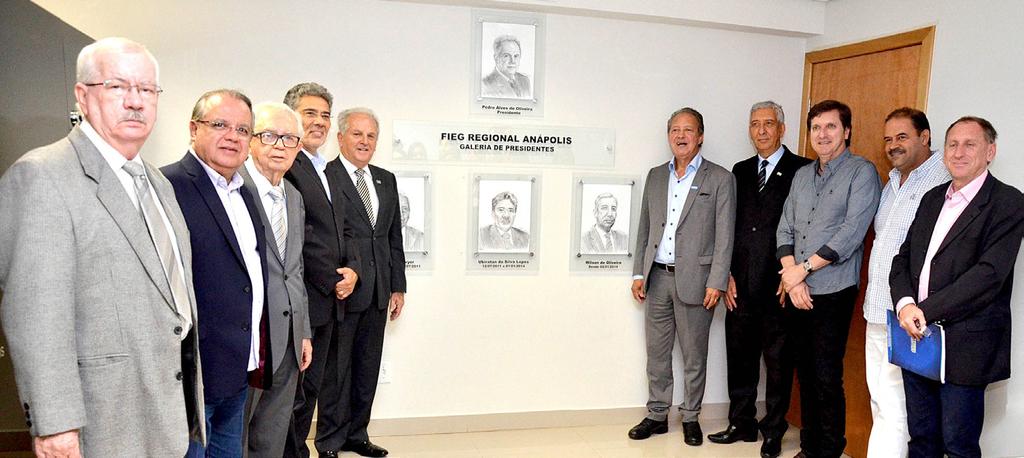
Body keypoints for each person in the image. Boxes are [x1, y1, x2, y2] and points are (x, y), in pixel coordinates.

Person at [0, 36, 204, 458]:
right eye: (117, 86)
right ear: (83, 96)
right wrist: (56, 424)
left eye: (147, 90)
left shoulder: (157, 182)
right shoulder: (43, 175)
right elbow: (36, 315)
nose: (135, 101)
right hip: (101, 420)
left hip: (165, 408)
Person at [890, 116, 1024, 457]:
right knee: (921, 438)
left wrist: (924, 311)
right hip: (916, 339)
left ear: (990, 151)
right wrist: (905, 304)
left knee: (958, 444)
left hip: (966, 344)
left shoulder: (1007, 203)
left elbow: (988, 275)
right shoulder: (933, 198)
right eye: (952, 144)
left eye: (970, 144)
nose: (959, 152)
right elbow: (903, 258)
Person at [163, 89, 271, 458]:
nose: (233, 136)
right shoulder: (168, 187)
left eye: (243, 129)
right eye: (220, 124)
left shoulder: (244, 192)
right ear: (193, 129)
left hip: (238, 366)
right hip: (194, 370)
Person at [776, 99, 881, 458]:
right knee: (803, 374)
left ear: (847, 131)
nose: (822, 135)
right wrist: (793, 278)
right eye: (816, 128)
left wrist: (801, 271)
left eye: (831, 127)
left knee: (825, 377)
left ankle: (830, 450)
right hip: (797, 291)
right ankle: (809, 448)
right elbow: (784, 228)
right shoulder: (803, 175)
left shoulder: (862, 173)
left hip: (833, 291)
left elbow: (850, 235)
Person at [629, 107, 736, 447]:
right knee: (657, 353)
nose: (681, 135)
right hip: (657, 277)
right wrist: (637, 272)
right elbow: (645, 227)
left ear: (700, 136)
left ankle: (691, 416)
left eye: (688, 129)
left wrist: (717, 280)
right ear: (668, 135)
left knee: (694, 355)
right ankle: (657, 414)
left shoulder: (719, 178)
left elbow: (725, 236)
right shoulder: (656, 176)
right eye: (675, 129)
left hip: (698, 281)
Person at [710, 101, 810, 458]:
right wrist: (728, 275)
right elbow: (729, 227)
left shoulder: (802, 169)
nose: (762, 131)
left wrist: (794, 273)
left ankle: (773, 432)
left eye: (769, 124)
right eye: (755, 124)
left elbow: (806, 227)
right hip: (741, 284)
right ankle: (741, 423)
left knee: (779, 365)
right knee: (739, 358)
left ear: (782, 129)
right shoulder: (739, 170)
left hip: (779, 285)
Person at [318, 107, 407, 458]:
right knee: (336, 371)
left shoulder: (386, 179)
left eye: (371, 136)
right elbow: (325, 236)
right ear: (340, 138)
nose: (365, 141)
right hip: (345, 288)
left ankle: (357, 435)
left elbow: (392, 237)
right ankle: (329, 440)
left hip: (379, 290)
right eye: (357, 134)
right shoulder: (326, 176)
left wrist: (397, 286)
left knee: (367, 368)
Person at [862, 107, 949, 457]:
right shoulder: (893, 182)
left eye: (902, 137)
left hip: (907, 314)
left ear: (925, 137)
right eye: (888, 139)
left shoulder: (942, 178)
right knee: (880, 401)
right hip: (875, 310)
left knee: (898, 408)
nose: (893, 145)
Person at [282, 82, 358, 458]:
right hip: (305, 299)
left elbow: (344, 230)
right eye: (310, 113)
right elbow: (304, 236)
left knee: (311, 389)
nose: (319, 122)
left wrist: (352, 272)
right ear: (291, 116)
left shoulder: (324, 169)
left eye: (325, 115)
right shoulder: (289, 166)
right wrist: (333, 278)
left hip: (328, 299)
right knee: (294, 394)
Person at [239, 102, 313, 457]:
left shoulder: (294, 197)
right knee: (236, 432)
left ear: (299, 148)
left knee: (272, 430)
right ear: (252, 140)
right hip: (249, 338)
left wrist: (304, 332)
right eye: (269, 136)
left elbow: (294, 271)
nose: (279, 146)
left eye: (289, 139)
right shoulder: (234, 189)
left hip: (287, 338)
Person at [481, 34, 532, 99]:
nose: (512, 61)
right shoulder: (486, 84)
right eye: (506, 56)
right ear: (496, 58)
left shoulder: (525, 80)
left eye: (516, 56)